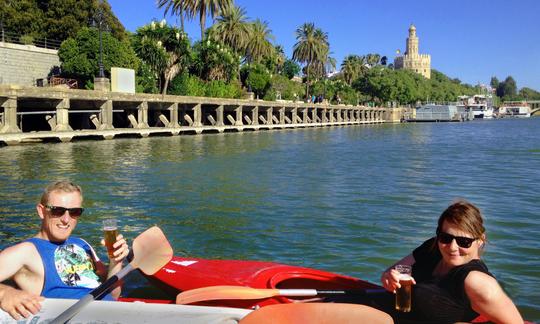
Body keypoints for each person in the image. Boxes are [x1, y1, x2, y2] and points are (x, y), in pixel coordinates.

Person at [0, 181, 130, 320]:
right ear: (41, 211)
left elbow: (113, 294)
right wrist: (6, 293)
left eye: (74, 212)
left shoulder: (83, 245)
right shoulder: (26, 251)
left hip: (111, 315)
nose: (66, 219)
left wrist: (116, 262)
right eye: (57, 211)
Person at [379, 200, 523, 323]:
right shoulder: (432, 247)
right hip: (387, 309)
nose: (452, 247)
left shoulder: (476, 281)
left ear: (480, 240)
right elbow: (394, 271)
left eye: (464, 241)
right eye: (445, 238)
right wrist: (389, 277)